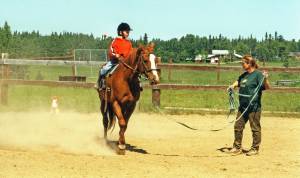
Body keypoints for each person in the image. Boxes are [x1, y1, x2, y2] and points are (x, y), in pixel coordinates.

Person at [227, 55, 270, 156]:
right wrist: (232, 85)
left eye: (243, 63)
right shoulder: (244, 75)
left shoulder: (258, 75)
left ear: (249, 63)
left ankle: (255, 148)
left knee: (255, 128)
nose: (242, 65)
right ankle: (237, 147)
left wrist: (265, 79)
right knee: (238, 126)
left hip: (253, 107)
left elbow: (267, 87)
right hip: (242, 107)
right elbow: (238, 81)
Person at [96, 22, 133, 90]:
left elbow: (131, 52)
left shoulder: (129, 43)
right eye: (126, 31)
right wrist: (116, 55)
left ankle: (138, 85)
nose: (128, 32)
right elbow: (111, 50)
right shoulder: (115, 41)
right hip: (115, 61)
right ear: (120, 32)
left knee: (135, 71)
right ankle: (101, 83)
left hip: (126, 63)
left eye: (128, 31)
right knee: (104, 69)